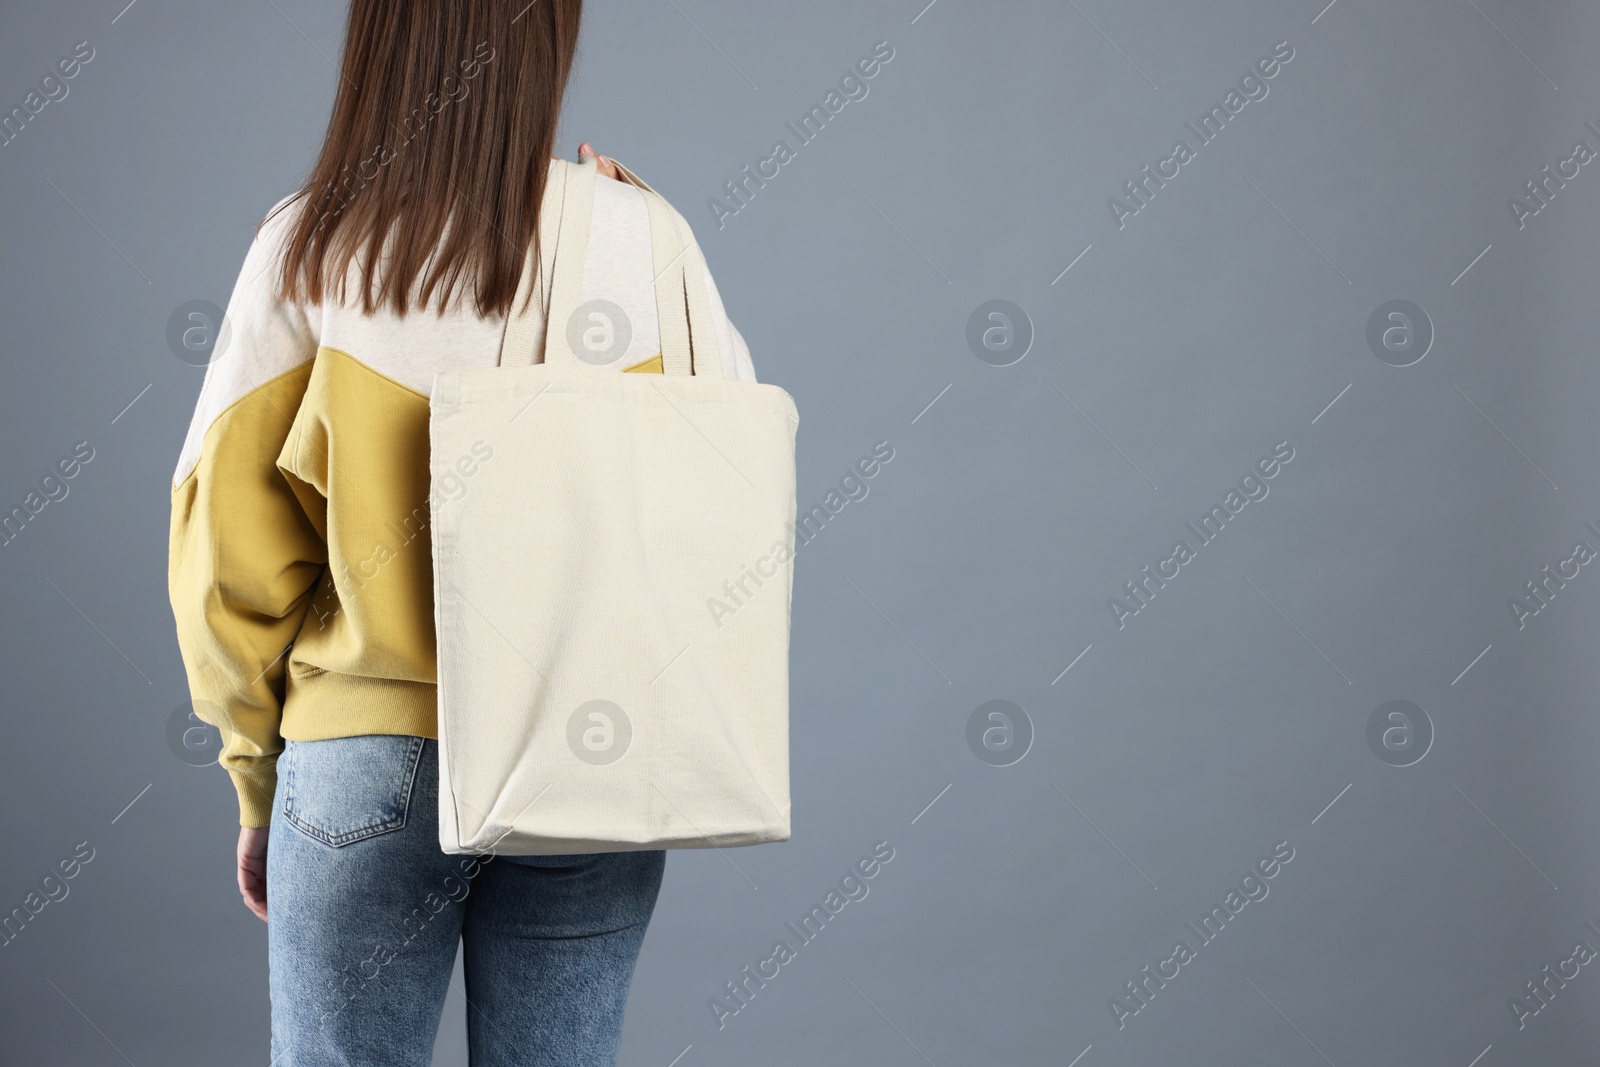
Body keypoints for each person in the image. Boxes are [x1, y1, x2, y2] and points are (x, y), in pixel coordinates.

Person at [167, 2, 755, 1063]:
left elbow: (229, 560)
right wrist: (646, 244)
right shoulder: (643, 235)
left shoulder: (310, 242)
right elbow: (726, 511)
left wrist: (253, 772)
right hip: (587, 754)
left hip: (363, 756)